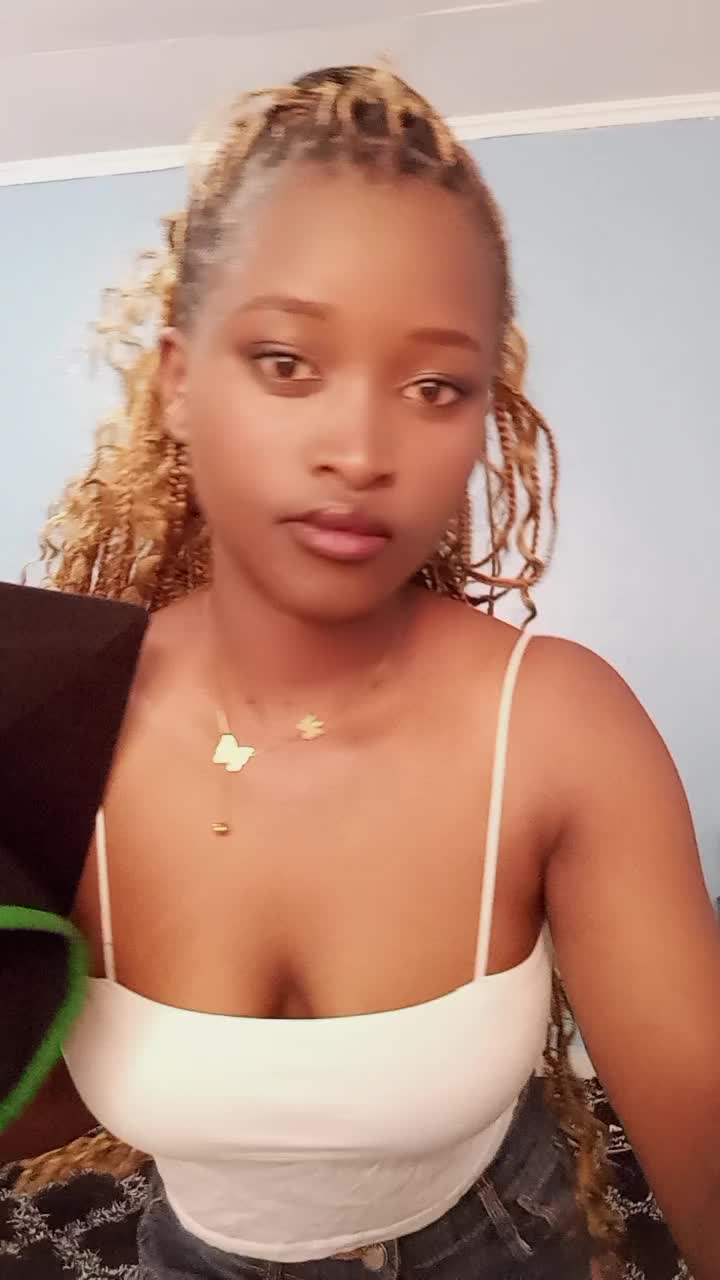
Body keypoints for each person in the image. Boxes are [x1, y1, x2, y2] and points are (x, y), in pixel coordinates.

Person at [4, 64, 719, 1280]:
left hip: (500, 1239)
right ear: (179, 382)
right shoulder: (52, 723)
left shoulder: (556, 726)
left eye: (434, 385)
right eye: (288, 362)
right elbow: (40, 1092)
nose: (359, 447)